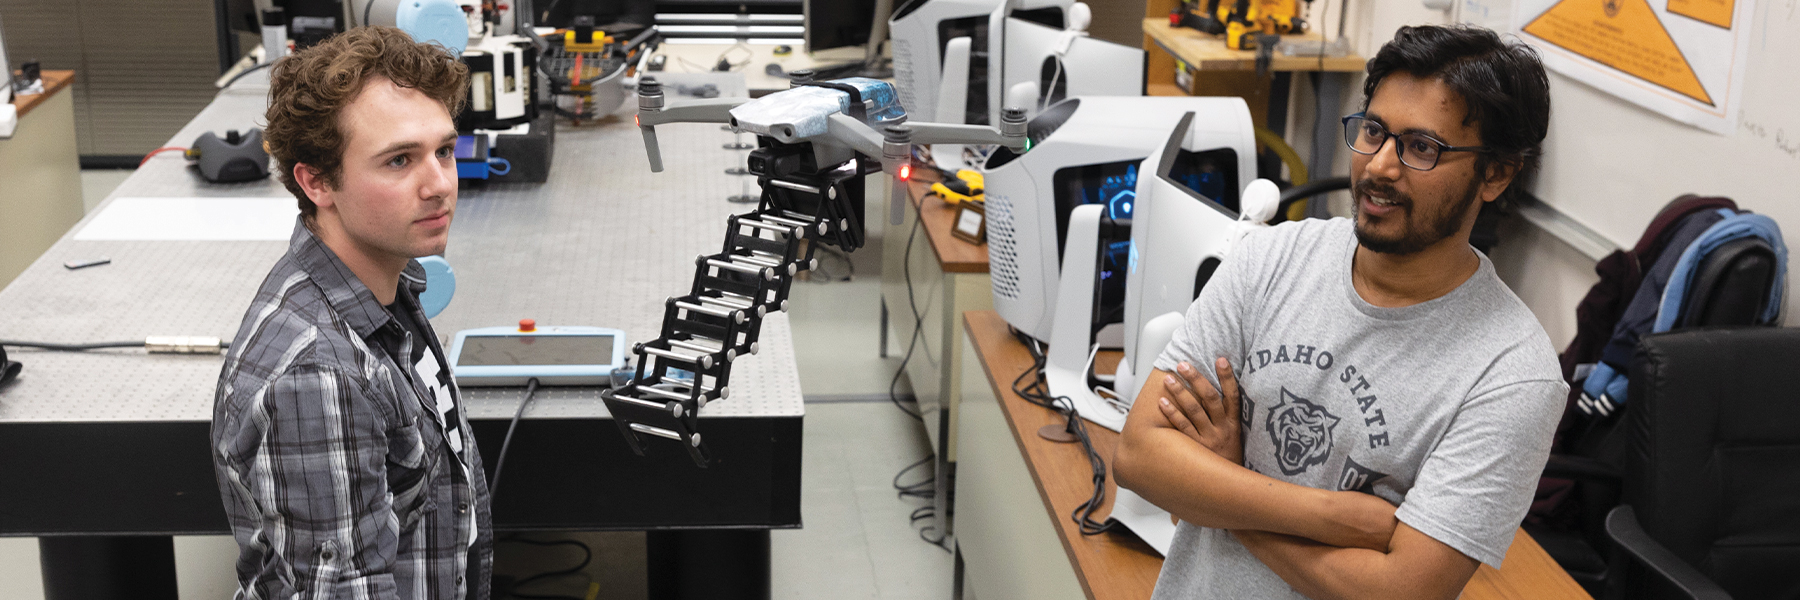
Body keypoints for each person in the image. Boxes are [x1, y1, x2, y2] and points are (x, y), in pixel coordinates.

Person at [1113, 24, 1562, 600]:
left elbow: (1397, 592)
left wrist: (1224, 493)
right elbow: (1140, 454)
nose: (1378, 167)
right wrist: (1334, 516)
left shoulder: (1511, 374)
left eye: (1421, 147)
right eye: (1373, 131)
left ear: (1496, 173)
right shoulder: (1272, 258)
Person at [210, 27, 489, 599]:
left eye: (444, 151)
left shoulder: (386, 284)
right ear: (316, 182)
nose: (439, 184)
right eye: (399, 161)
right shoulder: (318, 377)